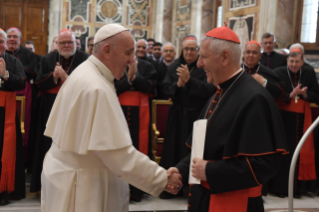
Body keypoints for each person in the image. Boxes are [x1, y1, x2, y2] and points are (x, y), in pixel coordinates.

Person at [41, 23, 182, 212]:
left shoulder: (86, 71)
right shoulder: (96, 87)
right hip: (82, 185)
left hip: (69, 175)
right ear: (107, 51)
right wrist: (161, 178)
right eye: (128, 53)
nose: (132, 60)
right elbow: (118, 154)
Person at [169, 26, 288, 212]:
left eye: (204, 57)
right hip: (205, 198)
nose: (199, 64)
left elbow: (264, 165)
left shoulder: (254, 98)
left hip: (235, 203)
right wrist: (180, 171)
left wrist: (209, 171)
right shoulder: (219, 92)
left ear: (224, 57)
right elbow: (204, 149)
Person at [30, 29, 89, 193]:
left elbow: (88, 86)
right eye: (62, 43)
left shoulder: (85, 60)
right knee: (48, 145)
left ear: (75, 42)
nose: (66, 46)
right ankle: (46, 186)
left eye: (69, 42)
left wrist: (65, 77)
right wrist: (53, 78)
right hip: (51, 108)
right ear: (57, 44)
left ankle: (74, 186)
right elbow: (39, 83)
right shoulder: (48, 58)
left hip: (75, 109)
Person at [159, 35, 215, 199]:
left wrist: (189, 81)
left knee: (192, 151)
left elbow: (209, 89)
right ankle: (170, 187)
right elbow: (163, 88)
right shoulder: (174, 66)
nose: (189, 52)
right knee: (172, 150)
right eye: (186, 49)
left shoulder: (203, 67)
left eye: (193, 49)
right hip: (176, 115)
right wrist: (178, 85)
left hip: (196, 116)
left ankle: (191, 189)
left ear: (198, 51)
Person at [270, 49, 319, 198]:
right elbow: (273, 94)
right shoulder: (278, 72)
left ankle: (298, 190)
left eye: (297, 61)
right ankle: (281, 189)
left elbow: (316, 95)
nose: (294, 64)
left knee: (300, 151)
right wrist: (290, 95)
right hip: (283, 119)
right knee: (284, 152)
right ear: (287, 61)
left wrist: (304, 94)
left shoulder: (309, 73)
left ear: (302, 62)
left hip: (303, 118)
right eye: (291, 61)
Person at [114, 52, 157, 202]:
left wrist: (135, 78)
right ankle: (118, 190)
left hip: (141, 114)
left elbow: (153, 87)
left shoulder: (147, 66)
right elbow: (112, 87)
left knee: (139, 151)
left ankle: (136, 191)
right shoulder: (115, 65)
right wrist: (128, 79)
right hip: (119, 112)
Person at [0, 28, 26, 205]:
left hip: (6, 112)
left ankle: (3, 192)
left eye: (1, 41)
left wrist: (5, 75)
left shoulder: (13, 61)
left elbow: (22, 83)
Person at [6, 28, 38, 165]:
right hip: (5, 93)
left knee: (24, 125)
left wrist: (14, 70)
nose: (12, 39)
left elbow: (33, 71)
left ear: (20, 39)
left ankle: (23, 160)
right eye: (9, 36)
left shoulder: (27, 54)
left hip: (24, 92)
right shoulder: (2, 53)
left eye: (15, 36)